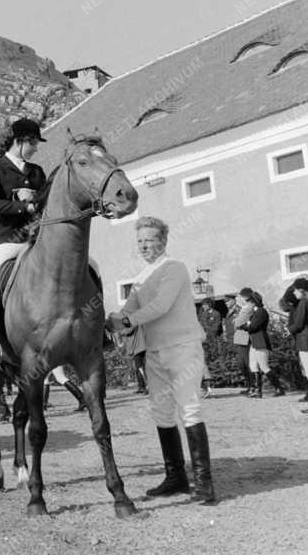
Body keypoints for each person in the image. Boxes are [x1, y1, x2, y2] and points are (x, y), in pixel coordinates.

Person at [108, 216, 215, 504]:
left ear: (163, 241)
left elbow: (161, 306)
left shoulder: (175, 268)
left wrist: (127, 320)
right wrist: (111, 321)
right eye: (140, 241)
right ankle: (176, 476)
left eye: (150, 239)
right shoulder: (141, 278)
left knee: (189, 409)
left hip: (182, 347)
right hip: (154, 351)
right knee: (162, 413)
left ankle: (204, 483)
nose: (144, 245)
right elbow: (126, 311)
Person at [0, 118, 48, 365]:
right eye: (33, 143)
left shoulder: (37, 171)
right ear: (19, 142)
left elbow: (48, 203)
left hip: (39, 238)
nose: (36, 149)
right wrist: (22, 205)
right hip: (9, 239)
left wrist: (37, 201)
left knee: (87, 263)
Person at [238, 288, 286, 398]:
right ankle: (257, 391)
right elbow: (250, 324)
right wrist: (246, 325)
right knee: (253, 366)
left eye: (249, 301)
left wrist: (244, 326)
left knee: (264, 367)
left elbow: (253, 326)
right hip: (254, 341)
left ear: (253, 301)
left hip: (260, 340)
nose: (248, 303)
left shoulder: (261, 312)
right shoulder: (256, 312)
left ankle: (279, 388)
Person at [287, 278, 308, 411]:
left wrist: (289, 329)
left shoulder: (303, 303)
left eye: (295, 290)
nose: (294, 292)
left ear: (301, 290)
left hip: (306, 342)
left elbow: (299, 323)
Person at [229, 294, 253, 395]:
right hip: (236, 337)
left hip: (243, 336)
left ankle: (253, 386)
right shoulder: (231, 311)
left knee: (246, 363)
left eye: (228, 301)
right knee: (241, 364)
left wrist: (236, 322)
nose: (226, 303)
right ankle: (249, 385)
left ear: (234, 300)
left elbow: (238, 323)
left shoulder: (241, 309)